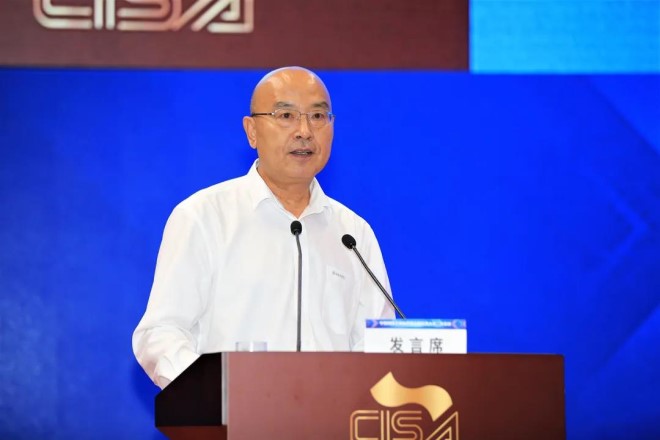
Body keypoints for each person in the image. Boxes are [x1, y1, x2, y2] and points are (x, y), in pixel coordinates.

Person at [133, 66, 394, 389]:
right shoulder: (203, 216)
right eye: (286, 116)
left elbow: (377, 346)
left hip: (334, 415)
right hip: (232, 414)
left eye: (317, 116)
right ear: (252, 131)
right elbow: (160, 334)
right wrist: (213, 392)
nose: (304, 131)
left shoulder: (353, 234)